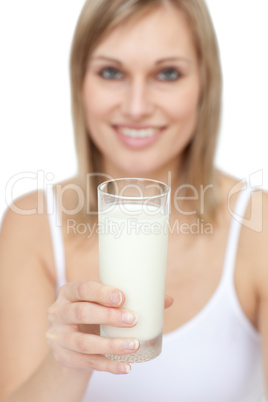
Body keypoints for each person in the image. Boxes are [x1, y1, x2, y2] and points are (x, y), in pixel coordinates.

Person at [0, 0, 267, 401]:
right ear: (79, 82)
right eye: (112, 72)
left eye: (167, 73)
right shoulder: (31, 225)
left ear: (205, 85)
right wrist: (68, 359)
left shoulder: (256, 224)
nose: (137, 107)